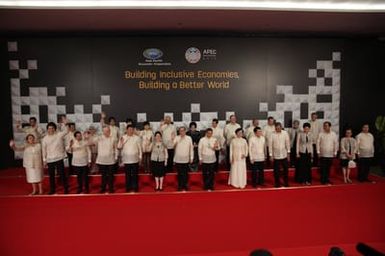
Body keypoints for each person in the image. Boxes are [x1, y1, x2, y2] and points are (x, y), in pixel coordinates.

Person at [41, 117, 69, 194]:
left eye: (52, 128)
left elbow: (66, 131)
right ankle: (52, 189)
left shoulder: (59, 135)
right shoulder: (45, 139)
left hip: (59, 158)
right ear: (47, 129)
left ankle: (66, 188)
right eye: (49, 128)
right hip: (50, 159)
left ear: (55, 129)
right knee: (51, 176)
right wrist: (44, 160)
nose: (51, 130)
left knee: (62, 174)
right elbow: (44, 150)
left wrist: (65, 123)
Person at [118, 125, 142, 192]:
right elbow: (119, 147)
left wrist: (140, 157)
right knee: (127, 175)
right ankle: (128, 187)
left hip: (135, 159)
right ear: (126, 130)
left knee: (135, 175)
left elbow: (140, 148)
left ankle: (135, 187)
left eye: (132, 129)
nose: (130, 131)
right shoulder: (123, 137)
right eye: (129, 129)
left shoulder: (137, 138)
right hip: (126, 160)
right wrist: (121, 142)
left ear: (133, 130)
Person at [94, 126, 118, 193]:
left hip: (111, 160)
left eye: (108, 131)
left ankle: (111, 188)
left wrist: (116, 157)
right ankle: (103, 188)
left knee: (111, 176)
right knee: (103, 176)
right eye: (105, 131)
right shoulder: (99, 138)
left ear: (110, 131)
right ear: (103, 132)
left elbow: (116, 148)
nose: (106, 132)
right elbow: (92, 141)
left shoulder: (113, 138)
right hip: (102, 160)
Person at [269, 122, 291, 187]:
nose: (278, 129)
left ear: (281, 127)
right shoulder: (272, 134)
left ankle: (286, 182)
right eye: (276, 128)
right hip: (276, 156)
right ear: (275, 128)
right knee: (276, 171)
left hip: (284, 155)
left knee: (286, 170)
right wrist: (270, 155)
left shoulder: (285, 133)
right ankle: (277, 183)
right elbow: (270, 145)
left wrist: (288, 153)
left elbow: (287, 143)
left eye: (279, 128)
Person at [173, 127, 194, 191]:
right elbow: (173, 146)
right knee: (179, 174)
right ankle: (180, 185)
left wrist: (191, 157)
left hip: (186, 159)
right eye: (180, 131)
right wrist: (174, 141)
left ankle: (185, 185)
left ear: (185, 131)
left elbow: (191, 148)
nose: (181, 132)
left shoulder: (189, 138)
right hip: (178, 159)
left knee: (185, 173)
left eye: (183, 131)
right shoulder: (176, 137)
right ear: (179, 132)